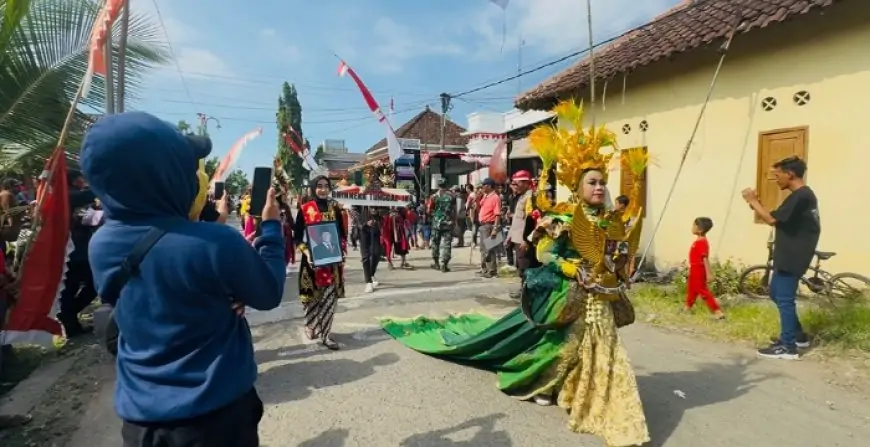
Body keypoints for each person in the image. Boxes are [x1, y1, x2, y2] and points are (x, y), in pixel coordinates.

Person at [381, 101, 650, 446]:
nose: (599, 188)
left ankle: (600, 403)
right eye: (592, 182)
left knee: (604, 350)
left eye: (602, 182)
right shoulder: (565, 218)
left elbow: (617, 253)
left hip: (602, 298)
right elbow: (544, 251)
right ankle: (539, 381)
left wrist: (621, 265)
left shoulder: (612, 220)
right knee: (558, 348)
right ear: (579, 186)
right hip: (570, 296)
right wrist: (569, 267)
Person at [82, 112, 286, 446]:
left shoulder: (100, 244)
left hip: (140, 419)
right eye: (187, 166)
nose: (194, 176)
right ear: (164, 176)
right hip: (215, 417)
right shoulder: (214, 242)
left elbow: (159, 294)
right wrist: (272, 229)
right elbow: (268, 293)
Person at [742, 155, 819, 360]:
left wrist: (753, 200)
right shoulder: (800, 196)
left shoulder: (801, 196)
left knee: (784, 300)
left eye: (778, 175)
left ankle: (788, 347)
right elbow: (774, 216)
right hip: (788, 253)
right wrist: (754, 204)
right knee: (777, 294)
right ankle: (798, 336)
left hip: (793, 255)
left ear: (790, 174)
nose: (776, 180)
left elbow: (771, 219)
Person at [294, 175, 347, 350]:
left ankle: (326, 334)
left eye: (326, 186)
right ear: (313, 188)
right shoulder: (305, 209)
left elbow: (341, 233)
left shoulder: (335, 208)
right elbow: (296, 238)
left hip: (332, 262)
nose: (323, 189)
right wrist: (307, 253)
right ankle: (310, 325)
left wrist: (342, 250)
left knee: (329, 299)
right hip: (312, 262)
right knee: (311, 299)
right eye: (319, 186)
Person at [57, 170, 100, 336]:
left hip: (68, 249)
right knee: (94, 283)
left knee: (70, 286)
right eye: (81, 178)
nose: (83, 181)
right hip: (76, 249)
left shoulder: (62, 197)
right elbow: (91, 194)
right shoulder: (71, 196)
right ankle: (69, 315)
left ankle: (71, 324)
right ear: (74, 181)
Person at [685, 217, 725, 319]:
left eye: (694, 225)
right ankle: (687, 307)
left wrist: (708, 273)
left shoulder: (702, 242)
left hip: (699, 268)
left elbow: (705, 258)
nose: (692, 227)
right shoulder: (698, 241)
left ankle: (717, 311)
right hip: (694, 268)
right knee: (692, 289)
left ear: (700, 229)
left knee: (702, 291)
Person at [506, 171, 535, 298]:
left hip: (524, 239)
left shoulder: (531, 197)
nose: (515, 185)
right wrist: (510, 236)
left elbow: (531, 220)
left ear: (525, 183)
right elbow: (517, 220)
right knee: (520, 265)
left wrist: (526, 240)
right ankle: (524, 289)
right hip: (517, 238)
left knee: (525, 266)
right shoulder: (522, 196)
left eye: (517, 183)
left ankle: (527, 292)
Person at [429, 179, 455, 272]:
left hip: (436, 223)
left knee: (435, 243)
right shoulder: (452, 196)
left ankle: (436, 263)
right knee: (447, 244)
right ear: (446, 184)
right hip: (448, 223)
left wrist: (435, 215)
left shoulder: (433, 196)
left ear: (438, 185)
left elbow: (429, 210)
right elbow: (453, 211)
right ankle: (444, 264)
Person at [476, 178, 501, 278]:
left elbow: (497, 214)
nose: (482, 188)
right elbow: (479, 207)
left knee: (489, 249)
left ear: (489, 186)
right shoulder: (486, 196)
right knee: (483, 249)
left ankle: (492, 270)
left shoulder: (495, 197)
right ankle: (484, 268)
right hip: (483, 225)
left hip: (489, 225)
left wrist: (495, 228)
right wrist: (477, 198)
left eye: (483, 186)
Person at [355, 207, 382, 293]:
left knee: (377, 254)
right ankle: (368, 281)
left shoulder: (378, 197)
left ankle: (371, 274)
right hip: (364, 231)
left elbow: (385, 211)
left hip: (375, 230)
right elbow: (354, 213)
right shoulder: (359, 200)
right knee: (365, 256)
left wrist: (377, 213)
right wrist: (365, 223)